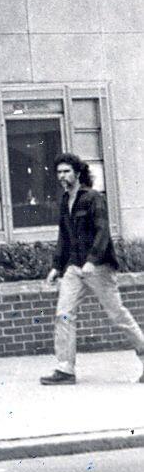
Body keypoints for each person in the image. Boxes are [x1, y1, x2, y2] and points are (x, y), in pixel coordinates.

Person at [39, 152, 144, 385]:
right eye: (59, 172)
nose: (62, 176)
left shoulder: (93, 198)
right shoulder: (64, 201)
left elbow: (103, 232)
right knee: (63, 315)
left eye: (66, 171)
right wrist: (56, 266)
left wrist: (92, 261)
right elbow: (64, 238)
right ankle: (65, 369)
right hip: (74, 269)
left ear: (78, 173)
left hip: (98, 268)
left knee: (117, 315)